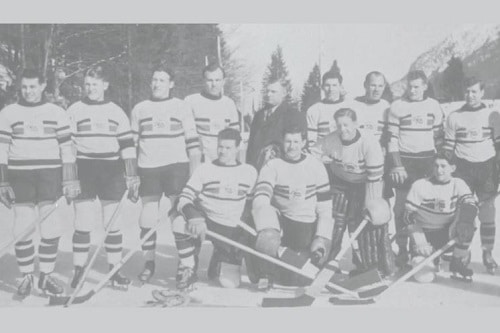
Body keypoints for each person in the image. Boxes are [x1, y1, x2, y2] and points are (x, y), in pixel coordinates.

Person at [0, 69, 80, 297]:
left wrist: (70, 178)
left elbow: (67, 148)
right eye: (24, 87)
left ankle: (45, 275)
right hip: (19, 175)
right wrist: (2, 181)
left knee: (51, 225)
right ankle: (26, 276)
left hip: (49, 174)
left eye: (33, 87)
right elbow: (2, 149)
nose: (28, 91)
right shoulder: (8, 113)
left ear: (43, 85)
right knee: (23, 224)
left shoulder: (56, 112)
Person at [67, 65, 139, 290]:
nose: (90, 88)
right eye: (87, 84)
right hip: (85, 168)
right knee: (83, 222)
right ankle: (79, 269)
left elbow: (127, 146)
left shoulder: (116, 111)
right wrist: (69, 177)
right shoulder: (75, 109)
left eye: (95, 84)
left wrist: (132, 175)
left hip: (111, 169)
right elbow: (67, 147)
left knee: (112, 223)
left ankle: (114, 269)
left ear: (105, 85)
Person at [130, 64, 202, 284]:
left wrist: (194, 177)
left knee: (179, 217)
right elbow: (131, 146)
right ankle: (149, 262)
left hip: (176, 167)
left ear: (171, 84)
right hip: (148, 167)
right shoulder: (139, 109)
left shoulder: (181, 107)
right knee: (147, 217)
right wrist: (131, 175)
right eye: (154, 79)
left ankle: (187, 266)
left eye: (162, 80)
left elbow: (193, 145)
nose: (156, 84)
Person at [251, 114, 333, 287]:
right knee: (264, 224)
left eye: (296, 142)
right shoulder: (273, 165)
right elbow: (261, 198)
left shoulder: (315, 166)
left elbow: (325, 208)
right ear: (282, 141)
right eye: (288, 142)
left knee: (296, 280)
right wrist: (266, 227)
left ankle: (297, 265)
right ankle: (265, 272)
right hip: (282, 222)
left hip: (304, 224)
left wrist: (322, 237)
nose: (292, 146)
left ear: (303, 143)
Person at [171, 128, 257, 290]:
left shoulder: (249, 172)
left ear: (238, 148)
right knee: (178, 222)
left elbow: (251, 206)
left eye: (228, 148)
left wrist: (243, 236)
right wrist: (194, 216)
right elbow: (184, 198)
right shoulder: (205, 169)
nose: (223, 151)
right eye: (220, 147)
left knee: (230, 284)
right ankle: (188, 267)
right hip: (207, 222)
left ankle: (220, 254)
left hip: (232, 229)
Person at [312, 108, 394, 277]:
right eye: (339, 125)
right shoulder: (331, 139)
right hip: (340, 183)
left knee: (367, 223)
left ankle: (371, 267)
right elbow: (311, 157)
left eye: (347, 125)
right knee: (334, 221)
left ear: (356, 124)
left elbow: (374, 178)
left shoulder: (369, 143)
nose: (343, 129)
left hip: (366, 184)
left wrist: (370, 206)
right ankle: (325, 264)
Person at [386, 70, 444, 268]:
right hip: (406, 162)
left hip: (427, 160)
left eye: (417, 86)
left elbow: (438, 138)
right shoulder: (397, 106)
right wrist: (397, 165)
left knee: (424, 206)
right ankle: (402, 249)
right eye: (410, 86)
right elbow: (392, 140)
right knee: (402, 206)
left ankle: (419, 248)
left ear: (425, 86)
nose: (413, 90)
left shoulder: (434, 106)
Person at [443, 77, 500, 274]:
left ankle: (487, 253)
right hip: (463, 168)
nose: (470, 95)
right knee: (465, 213)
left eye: (474, 91)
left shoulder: (493, 115)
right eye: (467, 92)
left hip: (487, 168)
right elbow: (449, 148)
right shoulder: (454, 116)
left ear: (482, 92)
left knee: (487, 213)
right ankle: (462, 253)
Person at [404, 152, 477, 282]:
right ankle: (431, 259)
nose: (439, 170)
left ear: (453, 168)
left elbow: (470, 204)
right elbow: (408, 217)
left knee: (469, 222)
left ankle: (457, 260)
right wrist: (420, 240)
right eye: (436, 166)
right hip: (425, 236)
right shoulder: (420, 185)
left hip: (447, 232)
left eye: (443, 166)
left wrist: (463, 222)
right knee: (424, 278)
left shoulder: (458, 183)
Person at [185, 64, 240, 162]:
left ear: (223, 81)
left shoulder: (229, 103)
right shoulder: (191, 101)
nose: (214, 84)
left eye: (217, 80)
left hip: (224, 160)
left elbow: (234, 135)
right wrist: (197, 156)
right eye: (210, 80)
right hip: (200, 160)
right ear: (203, 81)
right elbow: (189, 132)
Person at [246, 79, 306, 170]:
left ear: (284, 93)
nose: (268, 94)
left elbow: (298, 146)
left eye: (273, 92)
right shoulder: (258, 115)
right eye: (267, 91)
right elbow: (251, 146)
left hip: (282, 169)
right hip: (257, 169)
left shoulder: (294, 115)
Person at [306, 71, 350, 149]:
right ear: (322, 87)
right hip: (323, 155)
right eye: (327, 85)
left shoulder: (350, 107)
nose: (331, 89)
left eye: (334, 85)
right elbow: (311, 141)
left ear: (340, 87)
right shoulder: (314, 110)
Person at [350, 71, 391, 147]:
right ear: (365, 85)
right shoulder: (353, 106)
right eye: (373, 85)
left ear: (384, 86)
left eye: (380, 86)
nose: (377, 89)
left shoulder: (386, 106)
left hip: (379, 153)